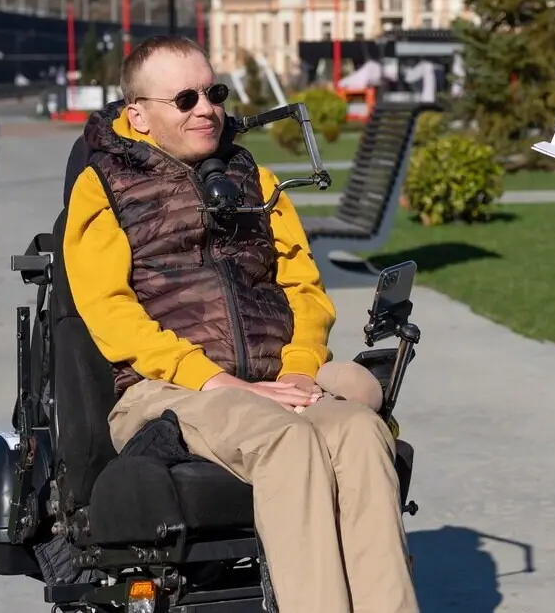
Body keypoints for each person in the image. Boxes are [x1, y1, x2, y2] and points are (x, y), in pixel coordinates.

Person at [60, 35, 419, 613]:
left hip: (278, 384)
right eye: (184, 99)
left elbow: (304, 289)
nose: (205, 108)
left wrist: (300, 372)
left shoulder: (260, 182)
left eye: (213, 92)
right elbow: (110, 313)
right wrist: (222, 384)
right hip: (169, 394)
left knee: (358, 431)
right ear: (139, 116)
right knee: (287, 439)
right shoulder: (102, 189)